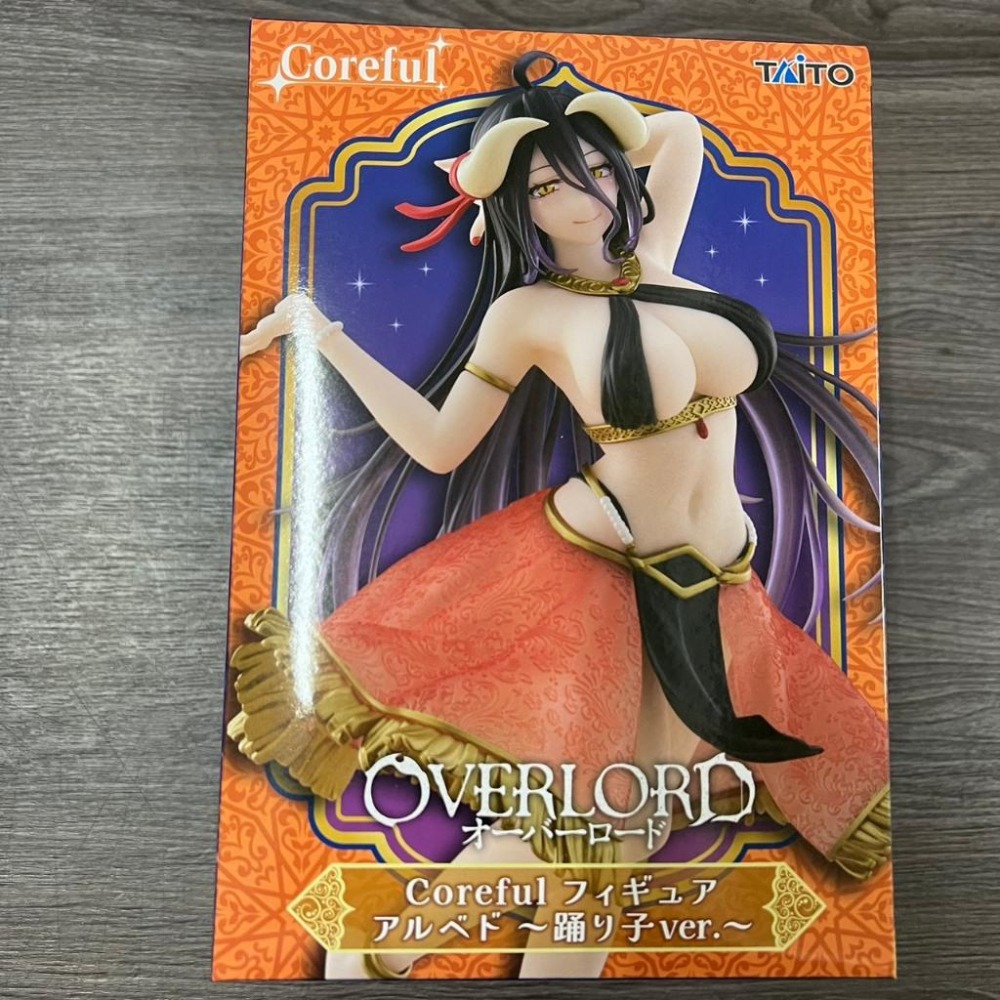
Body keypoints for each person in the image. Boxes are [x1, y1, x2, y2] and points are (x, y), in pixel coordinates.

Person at [230, 51, 890, 979]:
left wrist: (563, 115)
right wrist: (324, 334)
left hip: (717, 587)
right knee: (607, 825)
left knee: (619, 825)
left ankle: (380, 951)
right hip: (601, 578)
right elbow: (440, 445)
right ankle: (380, 954)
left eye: (592, 172)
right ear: (518, 208)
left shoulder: (656, 257)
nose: (580, 198)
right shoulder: (527, 313)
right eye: (546, 186)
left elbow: (681, 132)